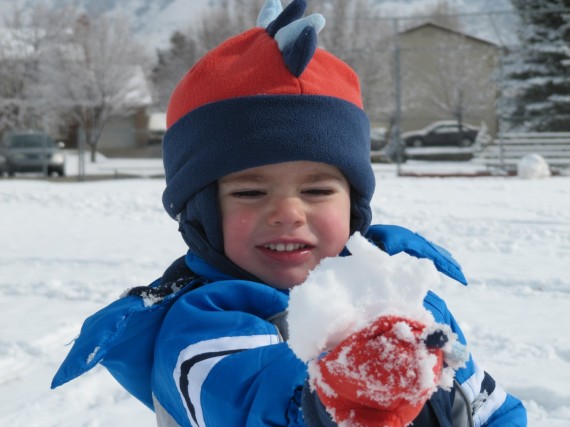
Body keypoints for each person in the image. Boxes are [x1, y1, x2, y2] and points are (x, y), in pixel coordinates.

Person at [51, 0, 527, 426]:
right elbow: (250, 400)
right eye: (251, 192)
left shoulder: (401, 295)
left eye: (317, 189)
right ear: (201, 213)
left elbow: (487, 407)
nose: (287, 212)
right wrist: (339, 398)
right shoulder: (203, 325)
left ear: (354, 206)